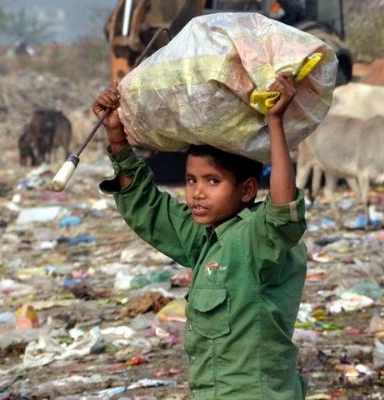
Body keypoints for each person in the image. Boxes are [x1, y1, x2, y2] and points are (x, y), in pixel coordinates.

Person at [93, 73, 308, 399]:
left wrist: (274, 122)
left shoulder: (257, 239)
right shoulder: (204, 237)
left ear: (248, 189)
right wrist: (116, 136)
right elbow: (146, 208)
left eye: (212, 181)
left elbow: (283, 209)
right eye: (191, 180)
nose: (197, 193)